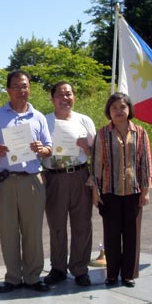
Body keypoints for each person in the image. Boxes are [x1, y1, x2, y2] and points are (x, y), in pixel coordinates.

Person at [0, 70, 52, 293]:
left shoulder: (39, 117)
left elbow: (49, 148)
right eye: (16, 86)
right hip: (5, 181)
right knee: (8, 231)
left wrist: (42, 149)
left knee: (33, 231)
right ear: (8, 90)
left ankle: (33, 277)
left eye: (25, 86)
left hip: (32, 180)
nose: (21, 90)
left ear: (30, 88)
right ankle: (13, 277)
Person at [91, 92, 152, 288]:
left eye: (122, 107)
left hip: (134, 191)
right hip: (110, 191)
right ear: (109, 111)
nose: (118, 111)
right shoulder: (102, 134)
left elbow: (146, 163)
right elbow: (97, 164)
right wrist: (95, 191)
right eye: (114, 108)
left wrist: (146, 191)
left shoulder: (141, 133)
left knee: (132, 235)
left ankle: (128, 274)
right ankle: (111, 274)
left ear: (129, 110)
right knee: (111, 235)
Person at [42, 82, 95, 287]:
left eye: (69, 94)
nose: (65, 98)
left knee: (82, 225)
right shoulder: (44, 121)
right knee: (57, 226)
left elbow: (96, 154)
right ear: (52, 98)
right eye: (60, 94)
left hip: (80, 176)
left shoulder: (84, 121)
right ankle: (58, 268)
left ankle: (80, 269)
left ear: (74, 96)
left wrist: (86, 148)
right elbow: (33, 151)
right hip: (54, 177)